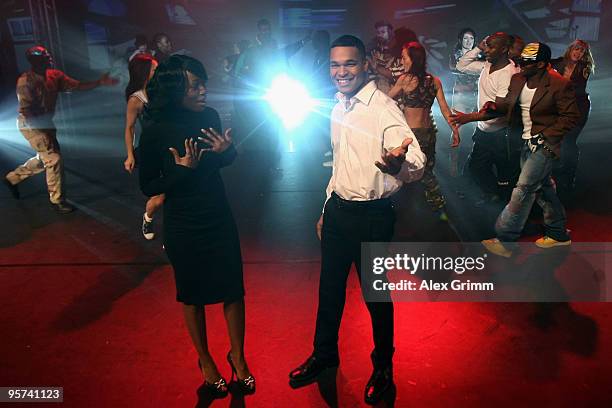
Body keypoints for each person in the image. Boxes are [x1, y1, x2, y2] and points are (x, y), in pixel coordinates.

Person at [288, 35, 425, 405]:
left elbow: (416, 160)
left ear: (365, 64)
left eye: (349, 64)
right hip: (337, 213)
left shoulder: (382, 108)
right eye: (335, 65)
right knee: (329, 291)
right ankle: (324, 355)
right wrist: (325, 206)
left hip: (372, 217)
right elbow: (338, 164)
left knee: (376, 298)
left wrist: (399, 162)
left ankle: (383, 369)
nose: (341, 71)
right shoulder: (337, 107)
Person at [139, 55, 255, 398]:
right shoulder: (156, 130)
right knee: (192, 295)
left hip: (217, 214)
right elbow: (148, 185)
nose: (204, 90)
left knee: (233, 289)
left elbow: (220, 162)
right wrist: (181, 171)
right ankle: (205, 361)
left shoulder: (209, 117)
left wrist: (227, 151)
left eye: (204, 83)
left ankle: (238, 357)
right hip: (183, 223)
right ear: (177, 90)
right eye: (195, 85)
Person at [451, 42, 580, 257]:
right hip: (524, 142)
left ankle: (506, 239)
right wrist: (494, 107)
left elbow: (571, 117)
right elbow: (507, 105)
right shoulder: (519, 79)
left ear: (540, 64)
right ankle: (558, 234)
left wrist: (547, 137)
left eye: (526, 63)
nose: (520, 65)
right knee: (543, 189)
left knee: (523, 189)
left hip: (544, 145)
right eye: (520, 61)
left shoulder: (558, 84)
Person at [3, 45, 117, 213]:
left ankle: (12, 179)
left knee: (45, 159)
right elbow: (26, 111)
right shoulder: (26, 80)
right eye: (44, 56)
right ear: (35, 61)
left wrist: (99, 82)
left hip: (46, 123)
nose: (49, 58)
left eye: (48, 55)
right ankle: (57, 200)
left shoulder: (54, 76)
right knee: (54, 159)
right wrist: (41, 132)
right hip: (31, 125)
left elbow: (76, 86)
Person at [388, 41, 459, 219]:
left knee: (404, 170)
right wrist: (454, 129)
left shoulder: (405, 79)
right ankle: (437, 208)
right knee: (426, 171)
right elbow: (444, 109)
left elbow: (385, 99)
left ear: (413, 59)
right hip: (429, 133)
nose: (402, 61)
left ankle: (403, 209)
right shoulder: (434, 81)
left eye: (404, 57)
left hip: (412, 135)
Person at [455, 32, 521, 203]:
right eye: (487, 45)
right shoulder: (486, 65)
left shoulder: (508, 74)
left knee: (505, 177)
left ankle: (508, 212)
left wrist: (468, 118)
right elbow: (461, 65)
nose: (487, 50)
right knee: (476, 168)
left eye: (491, 46)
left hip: (501, 135)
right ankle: (493, 196)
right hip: (485, 131)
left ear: (504, 49)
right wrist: (478, 47)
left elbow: (500, 110)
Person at [123, 53, 164, 240]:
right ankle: (148, 217)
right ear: (144, 73)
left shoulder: (163, 91)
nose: (158, 71)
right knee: (160, 197)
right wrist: (130, 155)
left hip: (169, 148)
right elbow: (129, 128)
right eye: (154, 69)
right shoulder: (136, 100)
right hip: (151, 152)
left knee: (177, 190)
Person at [551, 39, 595, 197]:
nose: (578, 53)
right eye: (576, 49)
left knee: (569, 140)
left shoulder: (584, 68)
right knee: (558, 140)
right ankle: (557, 173)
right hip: (561, 109)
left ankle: (569, 177)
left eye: (582, 51)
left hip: (579, 109)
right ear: (570, 49)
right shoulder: (558, 63)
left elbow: (574, 89)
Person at [448, 28, 479, 177]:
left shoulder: (479, 55)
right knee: (457, 129)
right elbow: (457, 70)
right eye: (466, 38)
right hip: (461, 96)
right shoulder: (455, 55)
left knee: (475, 131)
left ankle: (469, 164)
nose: (469, 41)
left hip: (476, 96)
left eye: (471, 39)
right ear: (460, 40)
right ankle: (453, 164)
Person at [367, 20, 395, 93]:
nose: (380, 35)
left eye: (383, 32)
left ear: (390, 32)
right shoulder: (373, 49)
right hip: (376, 90)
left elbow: (395, 76)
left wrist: (376, 67)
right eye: (378, 33)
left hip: (393, 92)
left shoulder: (398, 51)